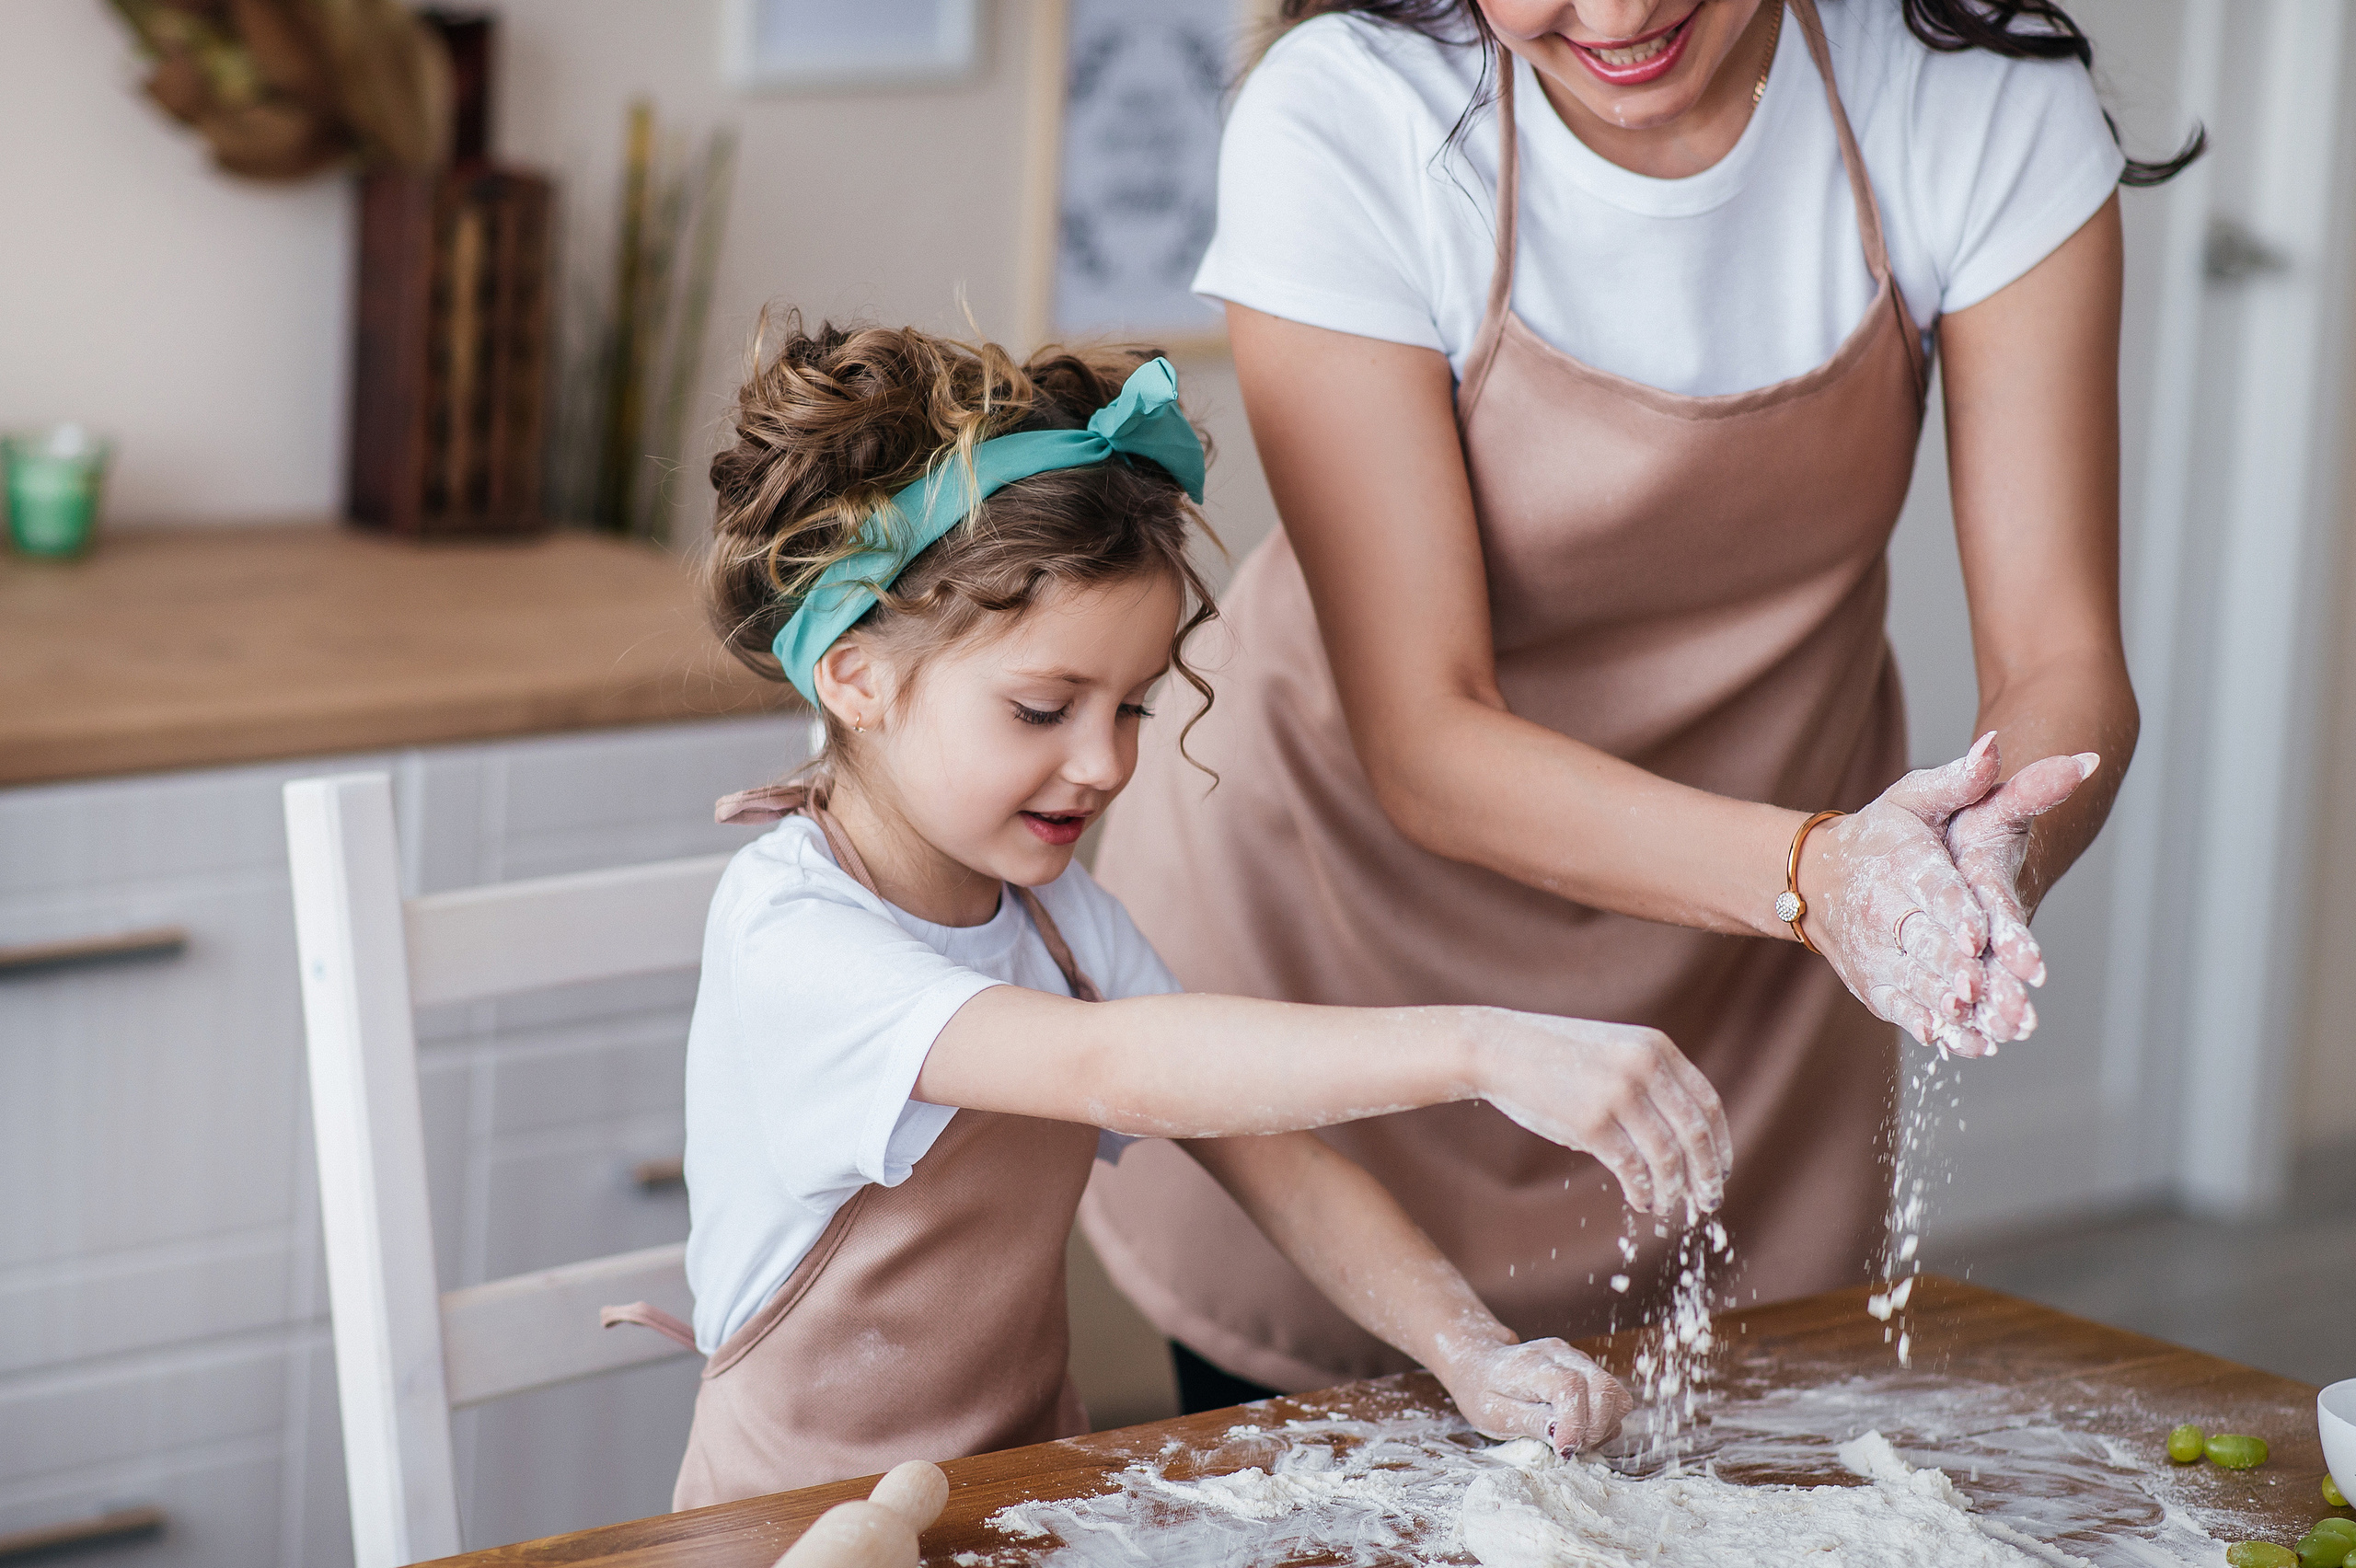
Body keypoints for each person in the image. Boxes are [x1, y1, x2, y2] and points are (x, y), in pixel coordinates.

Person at [1084, 0, 2182, 1411]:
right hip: (1344, 934)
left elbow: (2059, 657)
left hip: (1752, 971)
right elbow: (1426, 740)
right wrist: (1820, 876)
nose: (1610, 16)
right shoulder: (1352, 114)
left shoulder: (1972, 95)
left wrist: (1985, 851)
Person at [651, 319, 1732, 1505]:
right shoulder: (795, 939)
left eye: (1132, 708)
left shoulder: (1057, 920)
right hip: (792, 1519)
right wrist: (1483, 1046)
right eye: (1044, 709)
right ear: (857, 680)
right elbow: (1116, 1067)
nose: (1105, 763)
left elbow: (1277, 1161)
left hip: (1014, 1492)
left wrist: (1470, 1353)